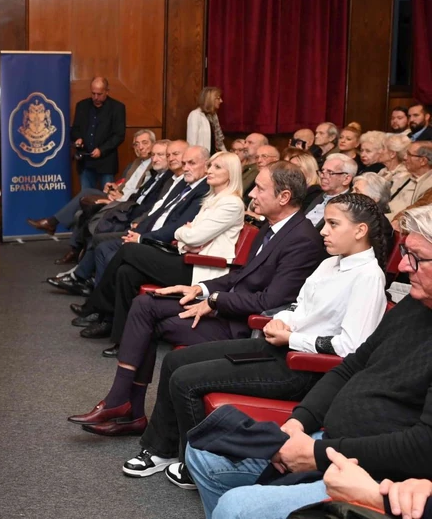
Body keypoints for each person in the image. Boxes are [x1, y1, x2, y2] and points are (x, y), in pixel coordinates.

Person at [119, 193, 387, 490]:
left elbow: (351, 347)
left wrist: (292, 336)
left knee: (186, 380)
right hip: (282, 347)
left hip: (306, 369)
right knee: (174, 360)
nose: (323, 230)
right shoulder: (330, 263)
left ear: (360, 230)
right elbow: (299, 306)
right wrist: (282, 320)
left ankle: (194, 465)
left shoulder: (368, 276)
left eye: (333, 224)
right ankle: (161, 449)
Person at [186, 203, 432, 519]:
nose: (404, 265)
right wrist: (298, 422)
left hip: (374, 470)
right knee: (204, 451)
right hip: (328, 438)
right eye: (406, 253)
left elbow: (423, 446)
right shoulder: (413, 305)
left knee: (237, 506)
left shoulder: (371, 277)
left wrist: (317, 454)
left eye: (417, 257)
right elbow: (352, 366)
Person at [70, 162, 327, 436]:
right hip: (228, 309)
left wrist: (214, 300)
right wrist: (199, 289)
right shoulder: (271, 227)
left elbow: (268, 302)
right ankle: (120, 401)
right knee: (145, 304)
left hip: (244, 327)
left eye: (260, 189)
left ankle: (128, 409)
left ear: (284, 197)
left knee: (150, 322)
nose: (251, 194)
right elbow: (240, 275)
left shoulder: (302, 240)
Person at [96, 152, 246, 355]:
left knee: (129, 249)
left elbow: (192, 237)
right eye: (210, 166)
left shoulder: (231, 203)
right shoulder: (212, 199)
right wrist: (187, 236)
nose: (209, 170)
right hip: (189, 258)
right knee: (126, 272)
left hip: (202, 268)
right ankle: (123, 342)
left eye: (217, 167)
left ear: (231, 173)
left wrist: (185, 234)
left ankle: (99, 305)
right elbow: (189, 238)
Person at [73, 146, 212, 338]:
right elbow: (157, 212)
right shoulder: (184, 183)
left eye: (191, 163)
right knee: (111, 255)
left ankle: (98, 309)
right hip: (153, 237)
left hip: (171, 249)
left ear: (207, 165)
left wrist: (141, 238)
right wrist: (138, 233)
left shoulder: (205, 190)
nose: (185, 167)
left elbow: (179, 228)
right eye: (184, 162)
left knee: (122, 254)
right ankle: (107, 318)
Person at [27, 129, 154, 238]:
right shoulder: (135, 163)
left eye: (145, 143)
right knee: (82, 210)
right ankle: (74, 247)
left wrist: (122, 196)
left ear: (153, 144)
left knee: (87, 194)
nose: (140, 147)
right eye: (136, 144)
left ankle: (52, 223)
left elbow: (144, 193)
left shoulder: (154, 167)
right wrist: (115, 187)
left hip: (127, 203)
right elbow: (127, 183)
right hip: (117, 195)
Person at [70, 76, 127, 190]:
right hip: (85, 162)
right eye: (93, 93)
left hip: (106, 163)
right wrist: (78, 138)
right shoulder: (82, 106)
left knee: (108, 196)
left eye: (99, 94)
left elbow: (119, 135)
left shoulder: (117, 108)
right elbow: (75, 129)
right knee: (87, 196)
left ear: (107, 91)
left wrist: (102, 150)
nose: (96, 97)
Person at [304, 153, 356, 230]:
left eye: (330, 172)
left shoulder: (348, 206)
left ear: (346, 179)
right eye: (322, 171)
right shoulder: (317, 194)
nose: (322, 176)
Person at [389, 141, 432, 221]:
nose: (405, 157)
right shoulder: (405, 176)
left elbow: (415, 215)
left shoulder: (429, 186)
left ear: (423, 161)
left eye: (409, 154)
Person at [187, 86, 227, 153]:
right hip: (200, 156)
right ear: (210, 99)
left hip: (212, 155)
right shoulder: (195, 115)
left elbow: (219, 140)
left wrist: (227, 154)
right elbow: (192, 142)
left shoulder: (214, 115)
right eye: (218, 98)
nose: (221, 101)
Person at [242, 134, 270, 201]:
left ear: (262, 146)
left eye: (250, 143)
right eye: (245, 142)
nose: (245, 146)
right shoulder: (239, 164)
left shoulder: (261, 169)